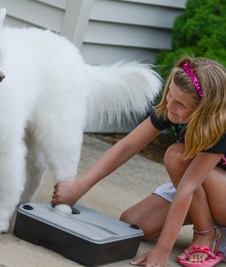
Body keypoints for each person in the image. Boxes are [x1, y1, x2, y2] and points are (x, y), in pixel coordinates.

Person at [51, 57, 226, 267]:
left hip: (219, 192)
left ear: (204, 110)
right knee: (134, 223)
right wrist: (79, 187)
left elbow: (188, 187)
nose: (170, 105)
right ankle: (209, 224)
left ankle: (206, 234)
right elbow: (126, 147)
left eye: (180, 104)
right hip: (199, 183)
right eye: (170, 93)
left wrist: (162, 250)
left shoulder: (218, 127)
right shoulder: (171, 107)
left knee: (176, 157)